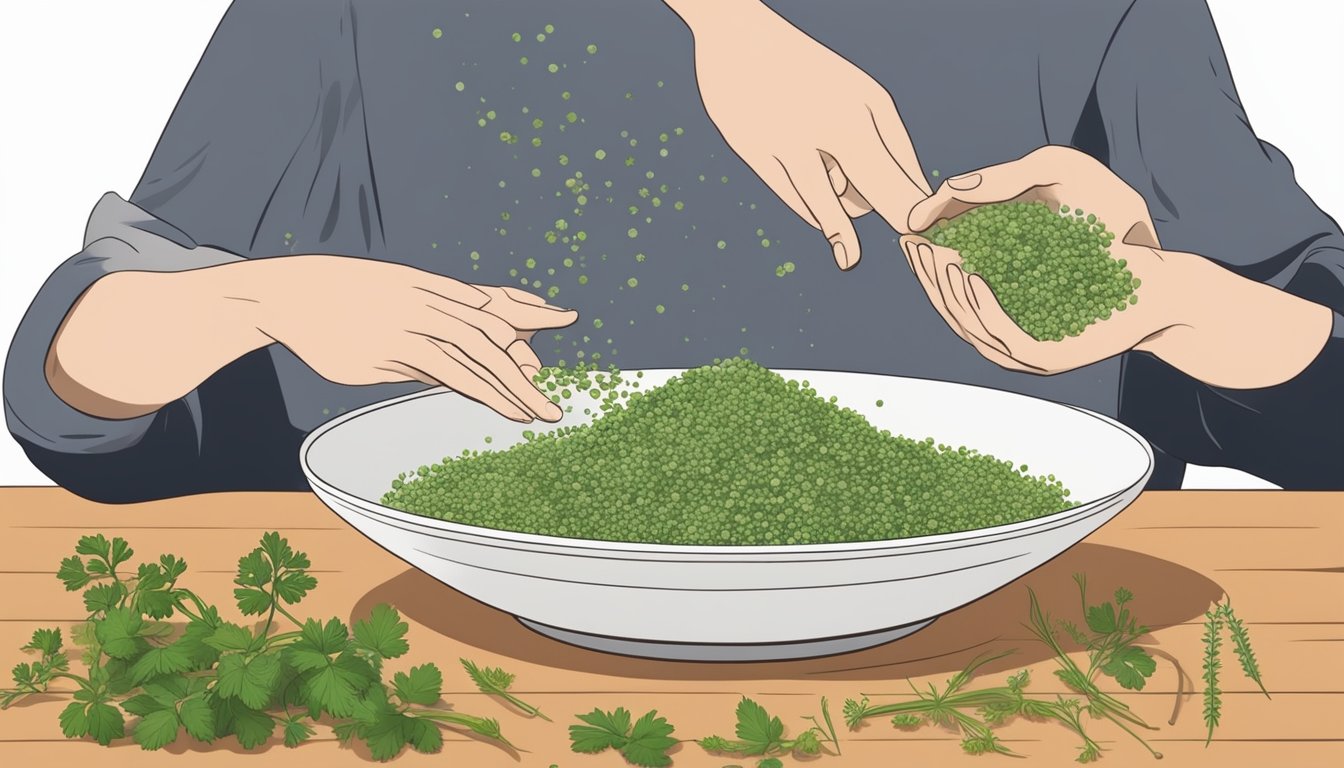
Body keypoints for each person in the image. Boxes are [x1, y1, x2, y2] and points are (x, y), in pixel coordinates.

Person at [4, 0, 1341, 503]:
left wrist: (1166, 306)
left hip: (1012, 675)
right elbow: (69, 396)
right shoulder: (359, 14)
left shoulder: (1088, 12)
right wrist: (258, 297)